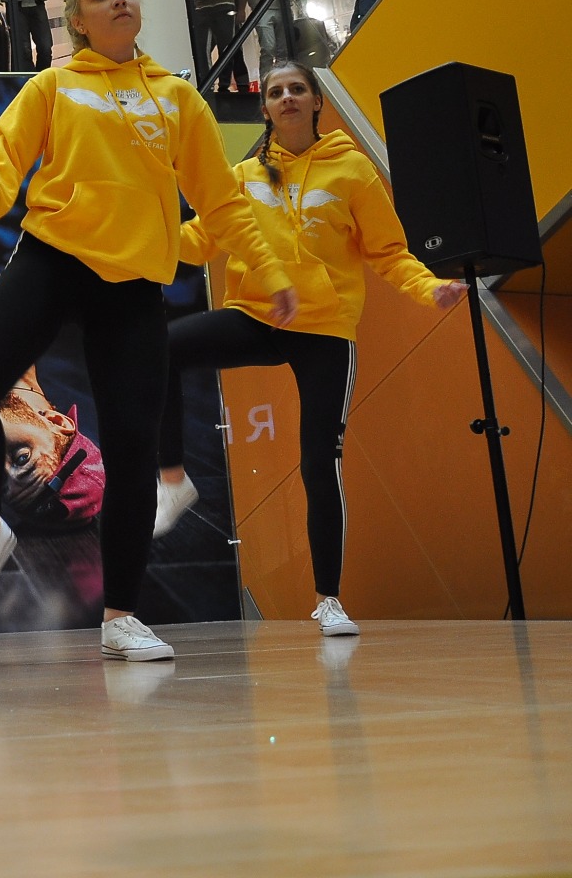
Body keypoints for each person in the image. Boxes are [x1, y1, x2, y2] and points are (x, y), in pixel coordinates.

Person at [0, 0, 295, 662]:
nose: (118, 0)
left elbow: (222, 202)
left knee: (135, 447)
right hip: (53, 258)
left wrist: (270, 268)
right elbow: (5, 152)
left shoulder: (177, 97)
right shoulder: (53, 85)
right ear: (77, 19)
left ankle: (121, 617)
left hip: (134, 283)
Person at [153, 62, 463, 635]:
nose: (288, 97)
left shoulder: (353, 171)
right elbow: (199, 240)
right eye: (275, 92)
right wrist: (144, 242)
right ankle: (174, 479)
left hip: (326, 330)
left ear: (317, 102)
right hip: (258, 315)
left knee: (319, 464)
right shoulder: (243, 175)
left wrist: (429, 288)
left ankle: (328, 599)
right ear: (264, 108)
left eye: (298, 89)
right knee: (163, 348)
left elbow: (389, 252)